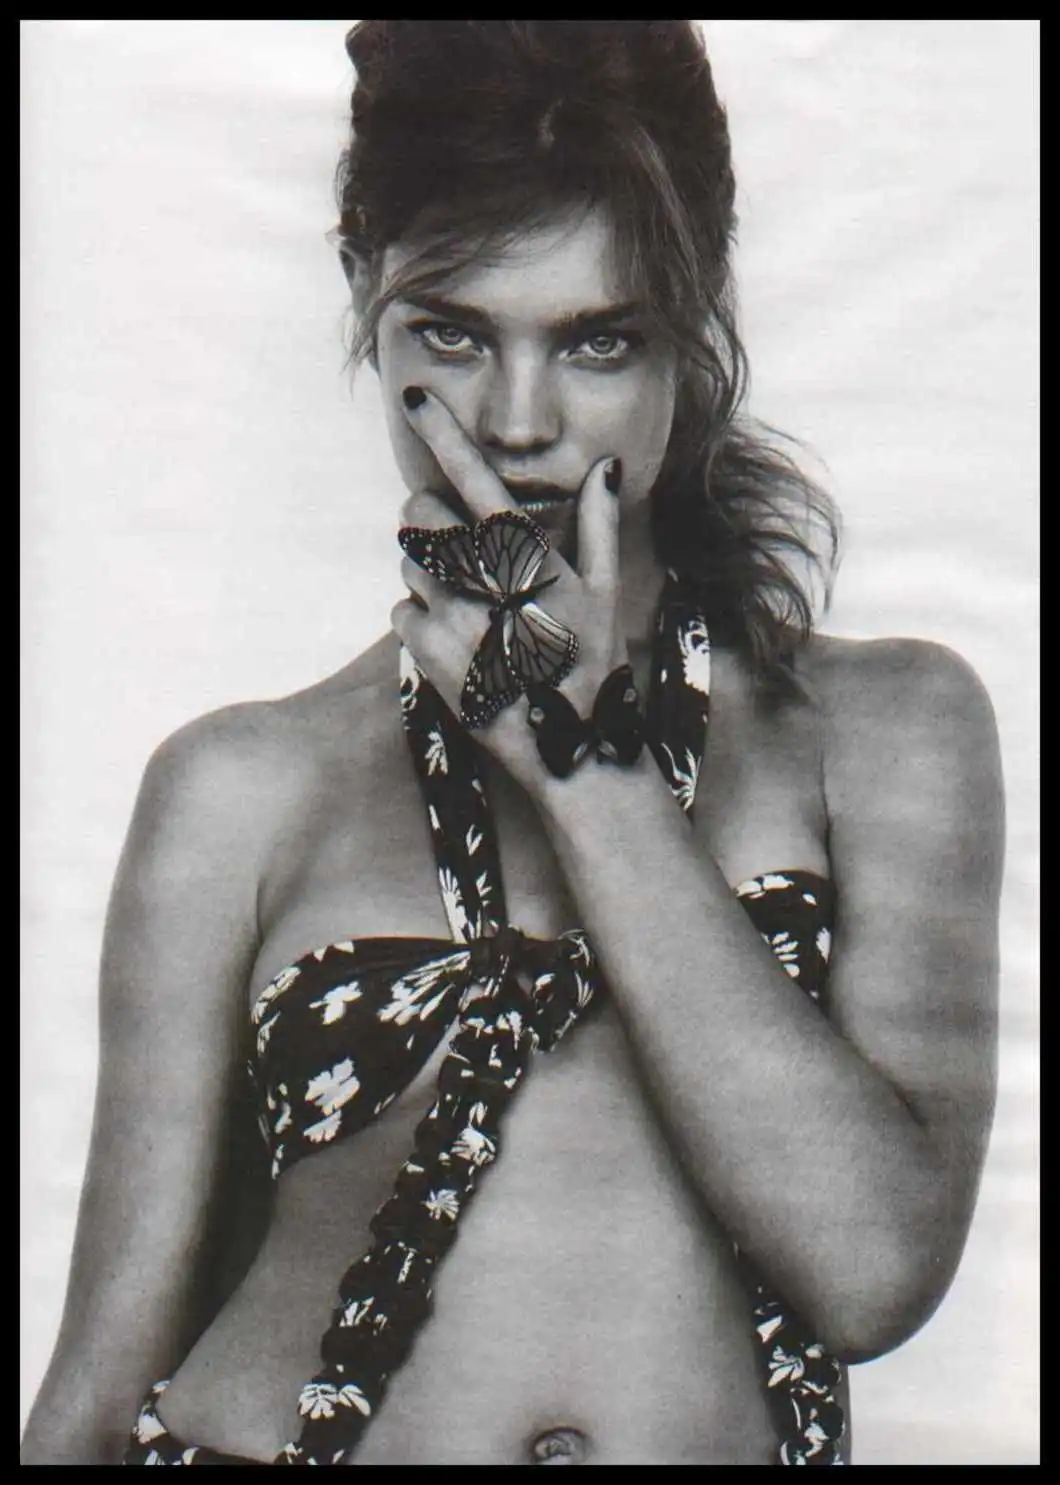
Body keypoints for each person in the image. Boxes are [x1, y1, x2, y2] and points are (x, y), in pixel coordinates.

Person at [21, 20, 1005, 1468]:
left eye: (598, 341)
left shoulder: (881, 733)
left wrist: (584, 770)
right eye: (453, 334)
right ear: (363, 292)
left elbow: (873, 1274)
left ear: (696, 323)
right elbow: (95, 1394)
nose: (518, 422)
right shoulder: (238, 789)